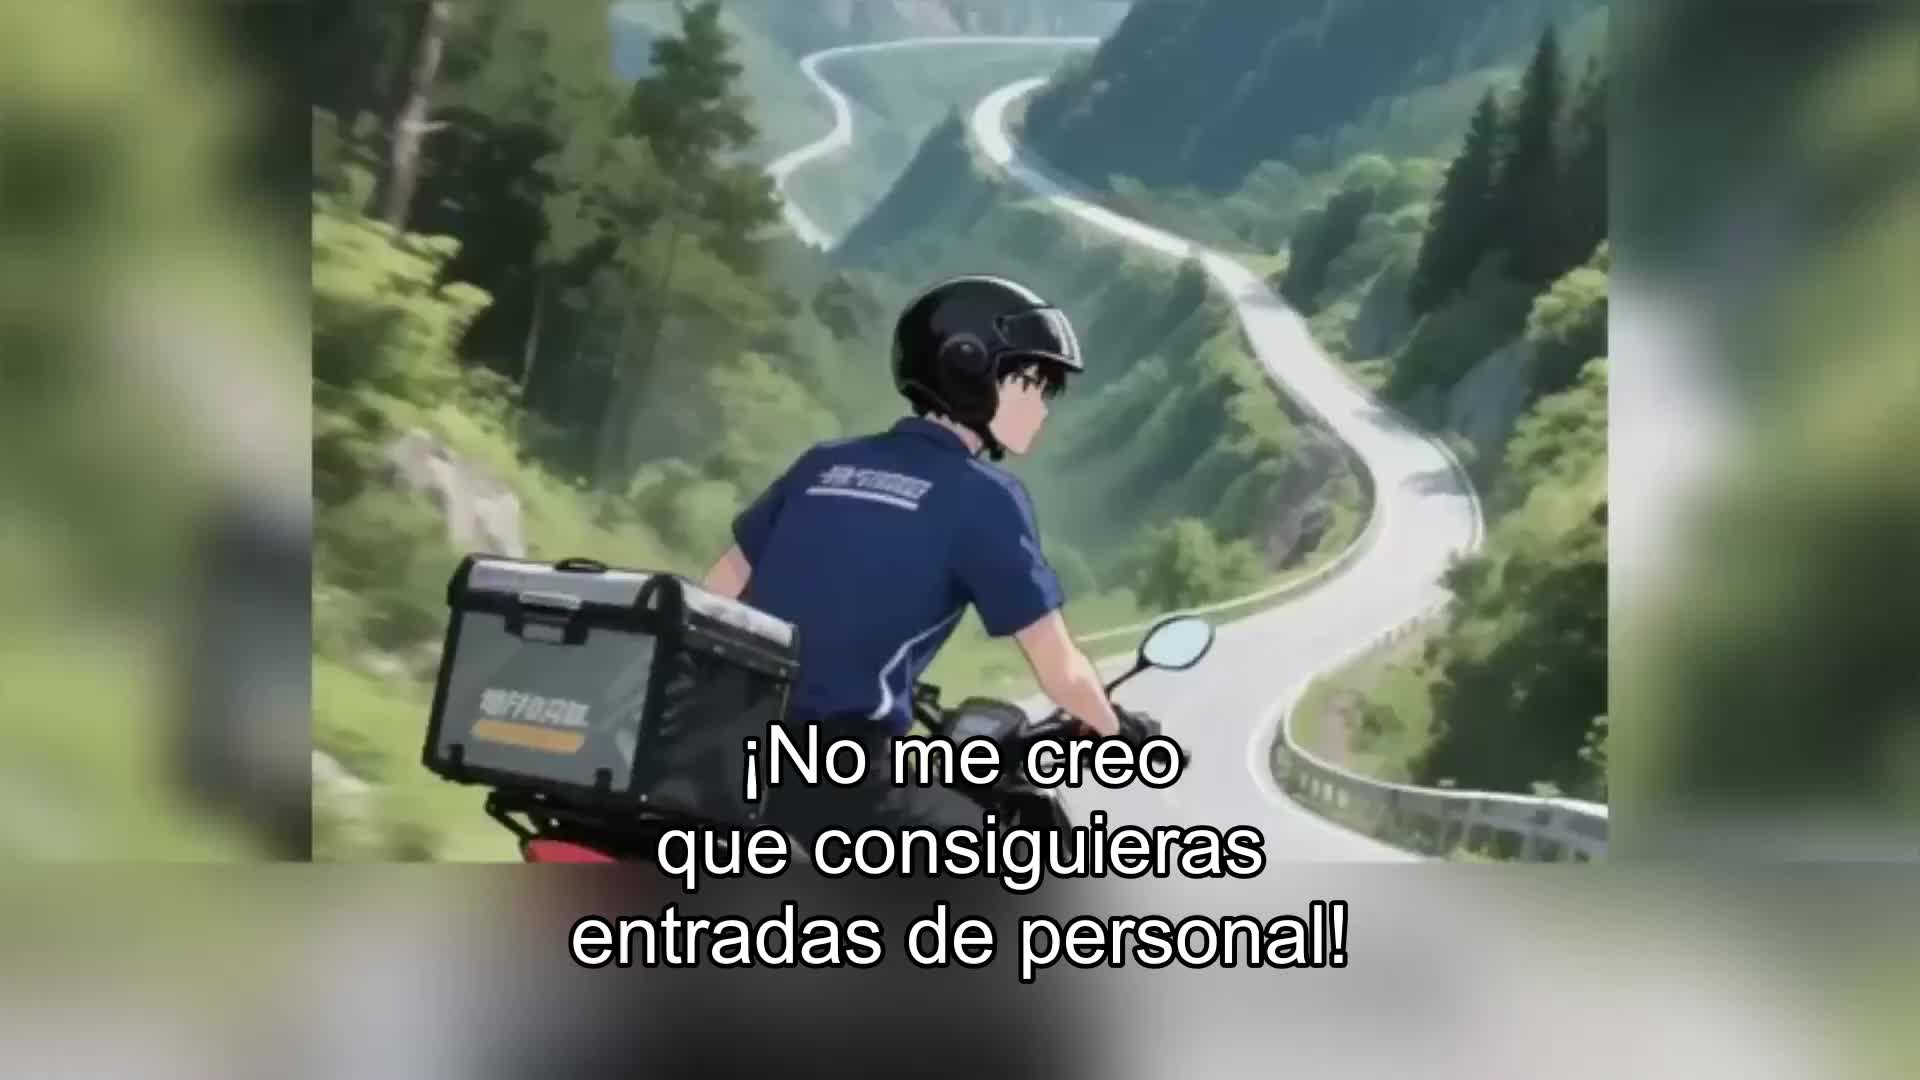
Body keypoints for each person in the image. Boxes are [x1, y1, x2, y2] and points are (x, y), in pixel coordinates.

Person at [699, 274, 1158, 831]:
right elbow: (1059, 670)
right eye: (1033, 385)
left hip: (723, 755)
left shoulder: (822, 463)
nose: (1042, 407)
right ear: (968, 370)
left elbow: (714, 597)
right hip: (839, 781)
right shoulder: (984, 497)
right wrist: (1117, 731)